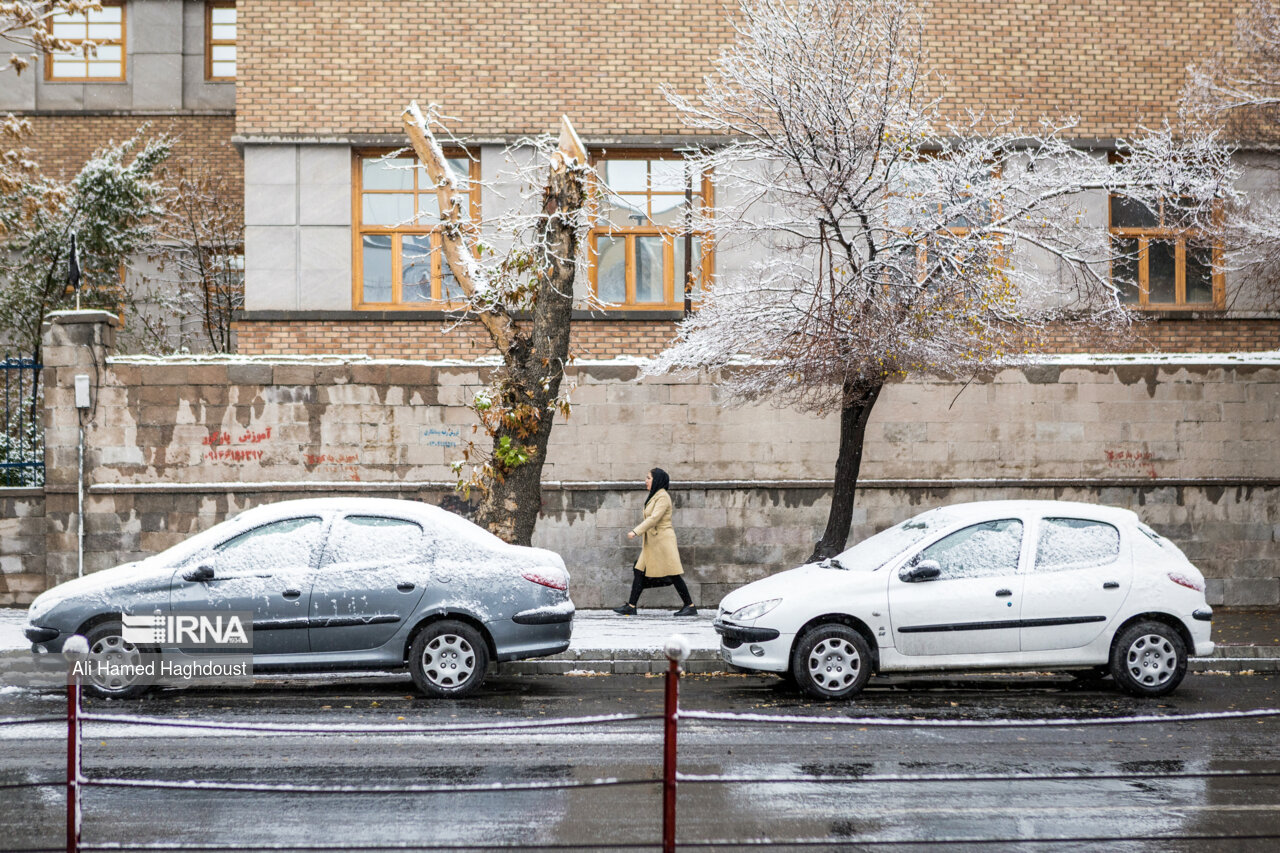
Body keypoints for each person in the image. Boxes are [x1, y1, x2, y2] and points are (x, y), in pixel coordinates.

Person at [613, 467, 697, 616]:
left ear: (656, 480)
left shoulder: (663, 497)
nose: (645, 481)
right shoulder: (655, 496)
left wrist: (635, 531)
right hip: (652, 541)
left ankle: (689, 605)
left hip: (663, 540)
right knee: (639, 570)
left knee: (674, 574)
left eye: (648, 478)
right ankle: (631, 606)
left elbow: (654, 519)